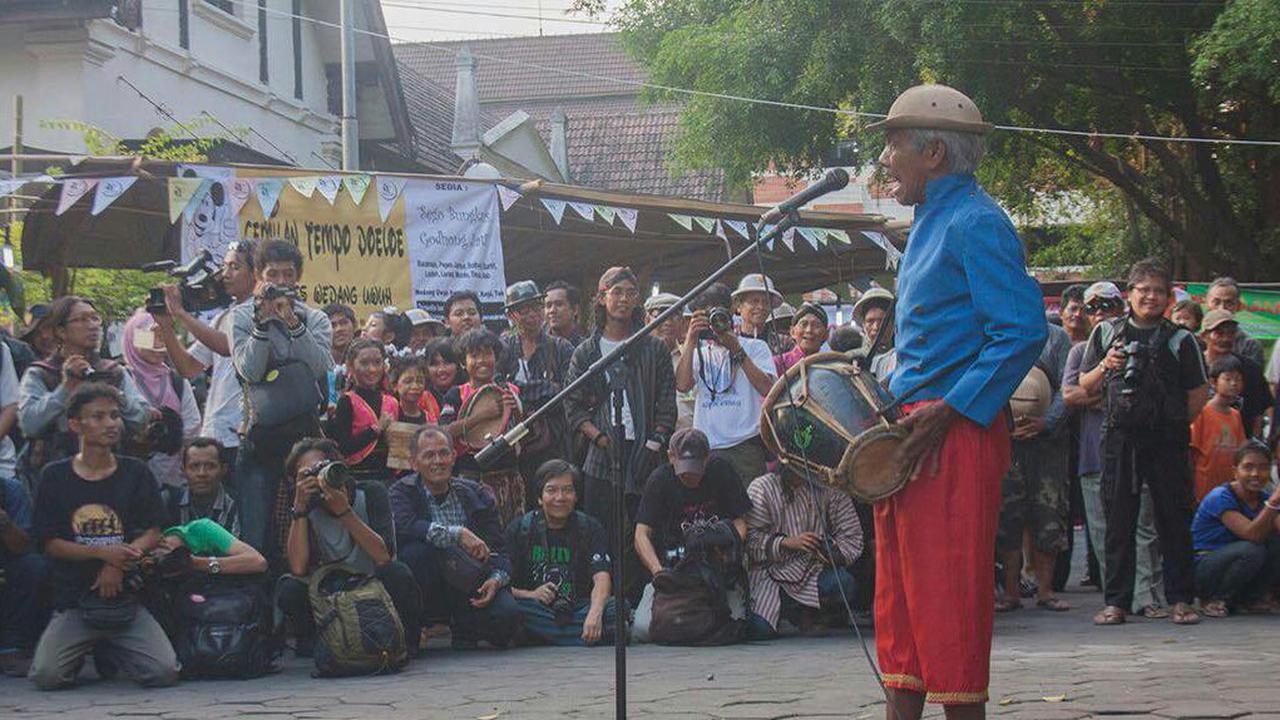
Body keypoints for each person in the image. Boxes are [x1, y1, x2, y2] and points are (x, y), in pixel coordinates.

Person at [868, 83, 1047, 715]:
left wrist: (953, 406)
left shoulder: (974, 221)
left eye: (893, 146)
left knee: (946, 607)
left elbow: (1023, 329)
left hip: (954, 434)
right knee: (900, 606)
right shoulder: (928, 221)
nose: (885, 161)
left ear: (934, 152)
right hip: (915, 432)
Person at [1079, 258, 1209, 627]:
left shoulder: (1181, 339)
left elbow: (1198, 392)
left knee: (1174, 518)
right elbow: (1083, 384)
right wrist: (1107, 365)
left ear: (1168, 297)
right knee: (1118, 519)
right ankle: (1116, 602)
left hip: (1167, 438)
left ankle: (1181, 600)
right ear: (1129, 294)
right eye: (1144, 290)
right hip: (1119, 436)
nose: (1151, 297)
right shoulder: (1106, 333)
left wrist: (1175, 422)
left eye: (1158, 291)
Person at [28, 383, 179, 690]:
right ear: (75, 425)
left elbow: (154, 530)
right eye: (97, 417)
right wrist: (102, 554)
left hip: (126, 597)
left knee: (163, 672)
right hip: (75, 599)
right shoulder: (54, 476)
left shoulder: (135, 472)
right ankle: (91, 644)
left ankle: (112, 647)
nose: (110, 424)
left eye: (114, 416)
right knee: (48, 675)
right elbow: (48, 543)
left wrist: (119, 561)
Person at [1064, 281, 1166, 617]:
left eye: (1105, 306)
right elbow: (1071, 395)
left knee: (1144, 527)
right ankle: (1118, 598)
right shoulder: (1081, 350)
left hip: (1141, 446)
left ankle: (1146, 596)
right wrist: (1109, 391)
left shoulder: (1142, 340)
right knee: (1105, 530)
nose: (1097, 314)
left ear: (1120, 307)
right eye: (1091, 307)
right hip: (1095, 453)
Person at [564, 267, 676, 570]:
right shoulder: (586, 352)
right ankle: (608, 599)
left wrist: (655, 443)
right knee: (602, 532)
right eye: (616, 292)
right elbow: (573, 408)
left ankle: (646, 598)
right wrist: (599, 438)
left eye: (630, 292)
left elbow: (667, 401)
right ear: (601, 298)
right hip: (601, 456)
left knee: (647, 531)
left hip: (646, 452)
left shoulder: (654, 348)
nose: (623, 299)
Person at [229, 240, 333, 553]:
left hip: (305, 439)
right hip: (259, 439)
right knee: (257, 532)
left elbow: (320, 368)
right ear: (259, 277)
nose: (281, 282)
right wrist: (263, 324)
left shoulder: (315, 318)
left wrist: (291, 323)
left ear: (298, 277)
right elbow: (249, 370)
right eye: (273, 274)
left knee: (313, 525)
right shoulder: (242, 316)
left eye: (288, 274)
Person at [276, 438, 421, 657]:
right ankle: (315, 643)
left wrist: (344, 510)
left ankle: (406, 641)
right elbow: (297, 568)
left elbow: (383, 556)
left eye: (321, 468)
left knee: (398, 574)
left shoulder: (370, 492)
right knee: (289, 587)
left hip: (372, 582)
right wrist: (300, 509)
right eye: (308, 473)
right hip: (330, 588)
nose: (317, 477)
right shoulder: (301, 505)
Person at [390, 426, 521, 650]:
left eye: (443, 453)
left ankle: (465, 624)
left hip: (469, 581)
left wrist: (497, 579)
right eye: (429, 455)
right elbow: (406, 526)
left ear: (453, 457)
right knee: (414, 553)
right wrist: (457, 534)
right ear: (413, 462)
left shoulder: (476, 493)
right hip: (428, 584)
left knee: (507, 619)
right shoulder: (402, 492)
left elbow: (499, 548)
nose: (438, 461)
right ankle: (421, 626)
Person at [19, 296, 151, 478]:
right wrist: (65, 388)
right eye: (81, 319)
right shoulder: (41, 373)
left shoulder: (113, 372)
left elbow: (141, 419)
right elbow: (30, 424)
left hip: (110, 474)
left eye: (95, 318)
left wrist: (114, 395)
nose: (92, 325)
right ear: (61, 331)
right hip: (55, 477)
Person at [153, 240, 257, 470]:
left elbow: (224, 346)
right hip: (215, 434)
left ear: (255, 274)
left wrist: (180, 312)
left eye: (235, 267)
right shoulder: (222, 317)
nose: (225, 274)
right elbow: (188, 367)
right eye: (224, 266)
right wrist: (166, 327)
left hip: (243, 434)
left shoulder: (257, 311)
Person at [995, 320, 1073, 612]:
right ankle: (1011, 592)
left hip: (1048, 444)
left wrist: (1047, 422)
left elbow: (1068, 385)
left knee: (1048, 513)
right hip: (1007, 441)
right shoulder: (996, 332)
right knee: (1007, 516)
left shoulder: (1056, 337)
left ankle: (1045, 591)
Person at [505, 459, 617, 646]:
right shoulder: (520, 529)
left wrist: (594, 614)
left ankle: (542, 635)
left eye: (567, 490)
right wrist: (531, 594)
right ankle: (585, 635)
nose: (560, 497)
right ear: (540, 497)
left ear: (576, 496)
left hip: (578, 606)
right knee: (508, 609)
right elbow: (503, 583)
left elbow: (602, 577)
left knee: (617, 608)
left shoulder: (590, 527)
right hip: (536, 606)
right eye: (551, 490)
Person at [675, 282, 776, 488]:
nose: (712, 321)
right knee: (713, 512)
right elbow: (683, 385)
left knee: (754, 513)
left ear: (731, 312)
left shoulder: (755, 347)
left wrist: (736, 349)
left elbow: (767, 388)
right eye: (705, 316)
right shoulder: (697, 351)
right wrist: (691, 339)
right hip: (706, 447)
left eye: (717, 314)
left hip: (746, 445)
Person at [744, 466, 862, 639]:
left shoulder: (829, 487)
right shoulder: (762, 487)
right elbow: (749, 540)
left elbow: (852, 537)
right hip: (769, 574)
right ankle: (791, 611)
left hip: (812, 569)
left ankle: (812, 611)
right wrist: (785, 542)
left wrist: (831, 552)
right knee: (759, 631)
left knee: (844, 584)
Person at [634, 429, 750, 581]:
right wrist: (657, 570)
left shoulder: (721, 470)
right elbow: (641, 534)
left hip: (718, 561)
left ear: (707, 457)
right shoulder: (659, 480)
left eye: (696, 470)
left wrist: (726, 549)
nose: (690, 477)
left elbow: (740, 521)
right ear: (670, 457)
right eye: (684, 471)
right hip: (675, 564)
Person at [438, 328, 525, 528]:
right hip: (470, 477)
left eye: (487, 353)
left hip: (508, 475)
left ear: (496, 357)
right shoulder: (455, 394)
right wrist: (481, 416)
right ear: (463, 362)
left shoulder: (511, 390)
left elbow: (522, 434)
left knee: (510, 533)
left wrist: (517, 411)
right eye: (474, 355)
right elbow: (444, 432)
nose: (482, 361)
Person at [498, 281, 575, 503]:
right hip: (515, 445)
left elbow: (569, 392)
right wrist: (546, 389)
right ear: (512, 315)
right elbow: (497, 389)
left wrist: (518, 391)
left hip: (553, 442)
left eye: (535, 307)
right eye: (524, 309)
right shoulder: (503, 349)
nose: (532, 314)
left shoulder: (561, 347)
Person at [1190, 441, 1280, 616]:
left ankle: (1250, 599)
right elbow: (1251, 534)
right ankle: (1216, 600)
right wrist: (1274, 503)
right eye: (1248, 467)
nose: (1255, 474)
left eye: (1262, 468)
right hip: (1204, 566)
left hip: (1237, 564)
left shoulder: (1264, 498)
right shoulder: (1221, 496)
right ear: (1235, 472)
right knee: (1252, 549)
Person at [122, 310, 200, 489]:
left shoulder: (177, 380)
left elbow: (192, 427)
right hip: (129, 479)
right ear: (133, 338)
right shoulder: (122, 378)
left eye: (162, 336)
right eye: (151, 337)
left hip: (173, 481)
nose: (158, 345)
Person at [0, 470, 49, 677]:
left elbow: (24, 547)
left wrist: (5, 524)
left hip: (6, 563)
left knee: (34, 566)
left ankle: (13, 648)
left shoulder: (10, 489)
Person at [328, 338, 396, 484]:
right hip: (359, 478)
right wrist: (376, 429)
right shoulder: (347, 401)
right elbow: (344, 447)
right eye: (364, 363)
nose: (372, 369)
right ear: (351, 366)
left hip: (389, 477)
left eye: (377, 362)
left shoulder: (391, 401)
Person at [1200, 309, 1272, 437]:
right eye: (1219, 333)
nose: (1226, 338)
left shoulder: (1250, 369)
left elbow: (1260, 410)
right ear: (1204, 335)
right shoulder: (1193, 365)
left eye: (1231, 333)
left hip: (1240, 443)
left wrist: (1254, 444)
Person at [1189, 357, 1247, 503]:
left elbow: (1241, 450)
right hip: (1203, 485)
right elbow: (1191, 451)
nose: (1233, 384)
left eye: (1238, 379)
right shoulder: (1202, 412)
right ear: (1214, 382)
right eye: (1228, 379)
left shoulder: (1235, 415)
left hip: (1226, 486)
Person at [162, 437, 240, 535]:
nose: (201, 473)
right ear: (183, 470)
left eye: (210, 466)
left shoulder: (238, 504)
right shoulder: (168, 501)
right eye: (194, 466)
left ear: (223, 469)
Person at [645, 292, 693, 431]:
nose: (667, 322)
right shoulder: (637, 359)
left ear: (683, 323)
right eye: (659, 314)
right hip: (649, 439)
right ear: (647, 320)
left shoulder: (692, 357)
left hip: (686, 440)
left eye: (674, 315)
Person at [1204, 277, 1264, 366]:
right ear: (1207, 303)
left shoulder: (1249, 346)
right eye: (1216, 302)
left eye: (1229, 303)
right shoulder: (1193, 343)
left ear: (1238, 306)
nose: (1222, 308)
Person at [732, 273, 788, 355]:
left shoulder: (783, 343)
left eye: (766, 302)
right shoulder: (728, 340)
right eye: (754, 301)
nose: (761, 307)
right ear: (739, 306)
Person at [321, 302, 357, 418]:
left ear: (354, 325)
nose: (339, 329)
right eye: (332, 325)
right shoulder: (317, 364)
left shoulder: (365, 363)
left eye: (344, 323)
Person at [852, 287, 897, 381]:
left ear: (893, 322)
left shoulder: (905, 355)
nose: (876, 327)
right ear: (863, 325)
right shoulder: (853, 359)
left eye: (882, 321)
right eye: (870, 321)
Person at [773, 303, 829, 375]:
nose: (809, 330)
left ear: (826, 335)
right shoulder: (778, 363)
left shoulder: (831, 364)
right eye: (804, 324)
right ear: (792, 332)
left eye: (816, 325)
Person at [421, 337, 461, 420]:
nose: (441, 369)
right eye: (435, 364)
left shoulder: (467, 393)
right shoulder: (419, 397)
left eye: (447, 363)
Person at [544, 280, 584, 347]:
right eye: (548, 306)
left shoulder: (587, 349)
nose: (552, 310)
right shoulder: (537, 348)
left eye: (559, 304)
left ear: (574, 310)